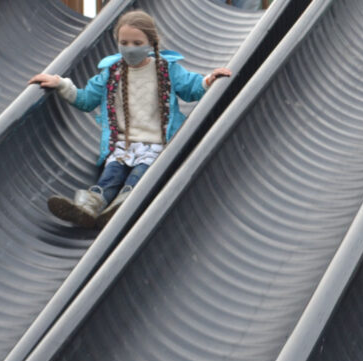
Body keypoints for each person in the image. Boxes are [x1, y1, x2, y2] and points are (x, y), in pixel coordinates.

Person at [28, 10, 231, 229]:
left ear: (151, 43)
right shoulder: (111, 73)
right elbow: (86, 100)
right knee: (110, 176)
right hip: (121, 146)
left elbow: (192, 88)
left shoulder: (166, 69)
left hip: (156, 145)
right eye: (124, 42)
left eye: (137, 42)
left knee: (139, 175)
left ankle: (125, 203)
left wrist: (210, 79)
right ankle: (89, 207)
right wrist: (60, 84)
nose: (130, 48)